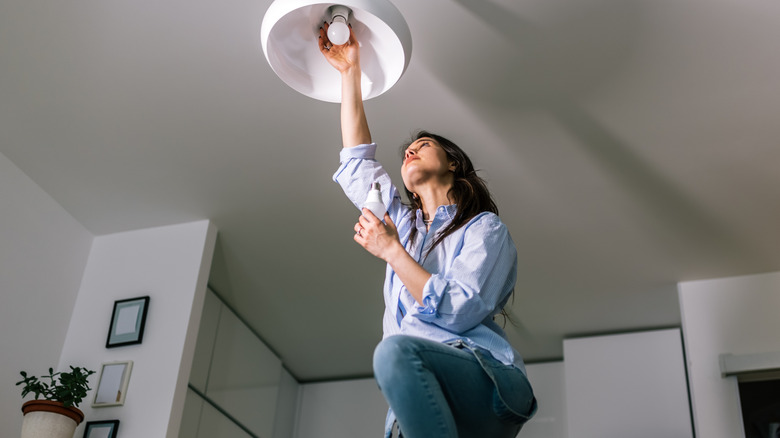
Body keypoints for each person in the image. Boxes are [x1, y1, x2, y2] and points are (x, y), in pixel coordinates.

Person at [320, 22, 537, 438]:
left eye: (423, 144)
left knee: (394, 354)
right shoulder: (404, 223)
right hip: (416, 401)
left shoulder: (485, 230)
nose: (410, 150)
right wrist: (349, 72)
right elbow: (356, 164)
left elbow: (459, 311)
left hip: (485, 382)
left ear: (453, 163)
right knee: (397, 361)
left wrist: (392, 252)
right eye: (406, 152)